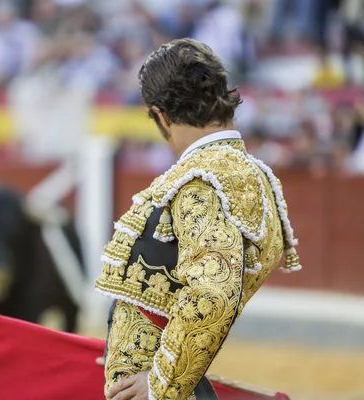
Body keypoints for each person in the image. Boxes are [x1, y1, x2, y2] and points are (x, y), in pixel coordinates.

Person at [95, 38, 302, 400]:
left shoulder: (202, 182)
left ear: (161, 115)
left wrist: (160, 382)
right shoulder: (251, 174)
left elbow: (214, 293)